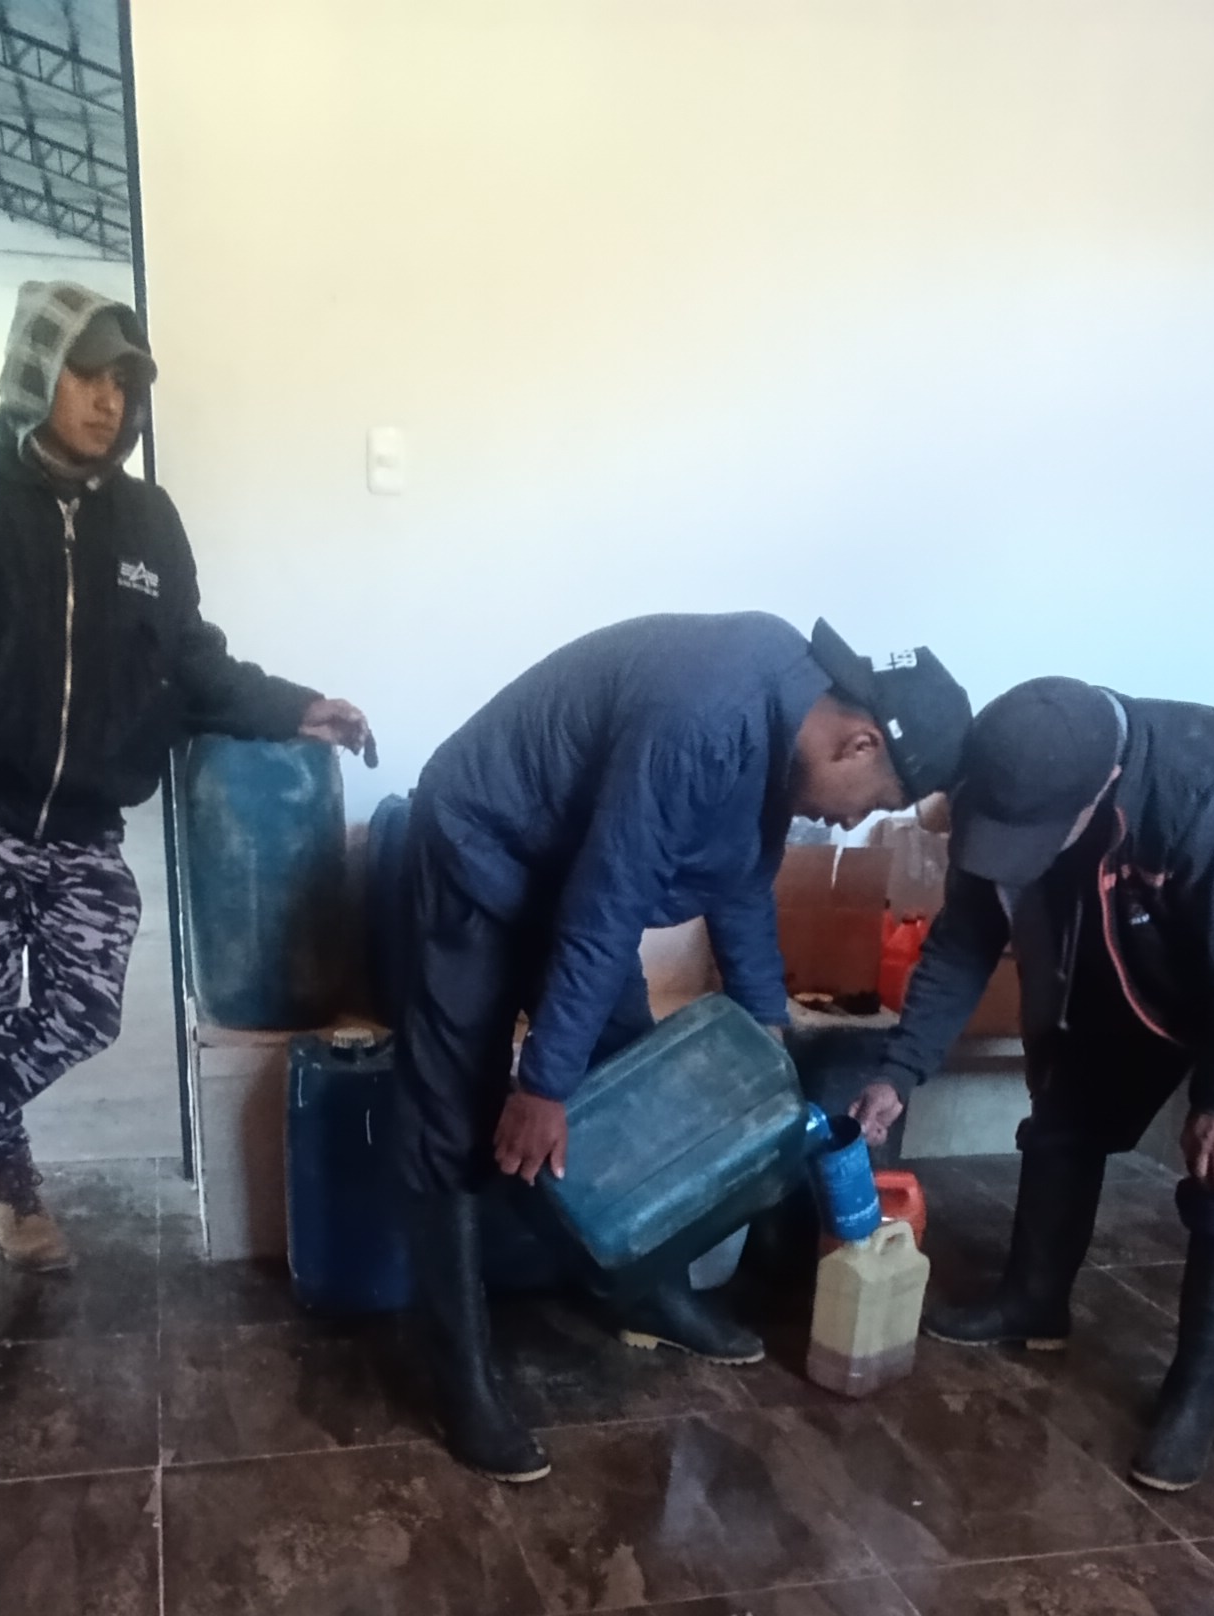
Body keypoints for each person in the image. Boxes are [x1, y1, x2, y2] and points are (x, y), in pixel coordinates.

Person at [0, 280, 369, 1273]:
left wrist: (299, 707)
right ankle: (12, 1194)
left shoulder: (146, 521)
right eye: (87, 377)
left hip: (83, 821)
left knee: (85, 1007)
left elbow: (194, 662)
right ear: (37, 372)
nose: (107, 401)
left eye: (124, 384)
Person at [398, 614, 968, 1482]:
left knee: (637, 1080)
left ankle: (647, 1296)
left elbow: (741, 884)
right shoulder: (704, 714)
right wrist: (543, 1085)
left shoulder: (784, 722)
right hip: (482, 840)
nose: (854, 824)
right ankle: (461, 1378)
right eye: (876, 805)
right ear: (859, 743)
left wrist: (765, 1027)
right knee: (452, 1110)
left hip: (572, 869)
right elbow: (610, 898)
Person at [848, 677, 1214, 1491]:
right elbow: (965, 939)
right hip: (1145, 952)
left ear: (1103, 790)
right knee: (1065, 1114)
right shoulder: (1006, 778)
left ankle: (1197, 1391)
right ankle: (1034, 1300)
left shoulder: (1207, 804)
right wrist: (902, 1068)